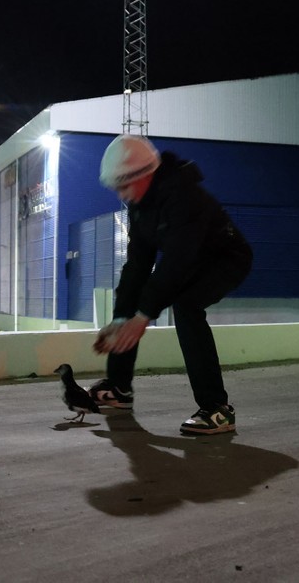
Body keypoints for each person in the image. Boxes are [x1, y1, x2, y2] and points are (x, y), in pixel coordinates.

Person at [90, 134, 253, 435]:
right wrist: (121, 319)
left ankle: (218, 409)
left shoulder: (184, 197)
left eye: (124, 186)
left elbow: (176, 262)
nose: (121, 195)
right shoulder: (141, 204)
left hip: (226, 259)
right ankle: (120, 388)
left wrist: (144, 316)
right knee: (130, 299)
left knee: (187, 305)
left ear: (144, 175)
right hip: (190, 259)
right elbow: (137, 265)